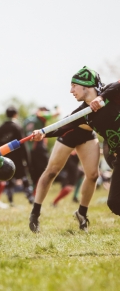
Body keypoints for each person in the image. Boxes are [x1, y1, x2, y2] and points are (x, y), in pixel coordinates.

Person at [29, 66, 117, 233]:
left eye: (74, 86)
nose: (71, 90)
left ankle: (82, 214)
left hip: (88, 136)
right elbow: (63, 126)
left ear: (85, 85)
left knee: (92, 175)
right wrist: (42, 133)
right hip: (70, 135)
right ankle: (35, 213)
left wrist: (102, 97)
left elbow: (115, 86)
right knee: (52, 171)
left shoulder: (108, 93)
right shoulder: (81, 113)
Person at [0, 106, 33, 207]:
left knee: (9, 178)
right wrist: (28, 160)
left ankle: (10, 200)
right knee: (24, 178)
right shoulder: (17, 127)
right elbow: (23, 144)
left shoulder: (0, 129)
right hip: (18, 158)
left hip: (5, 158)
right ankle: (30, 198)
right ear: (15, 115)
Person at [23, 106, 60, 193]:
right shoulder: (40, 114)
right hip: (39, 148)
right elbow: (57, 113)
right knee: (44, 171)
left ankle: (33, 193)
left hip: (29, 150)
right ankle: (38, 192)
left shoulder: (27, 119)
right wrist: (57, 107)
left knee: (33, 173)